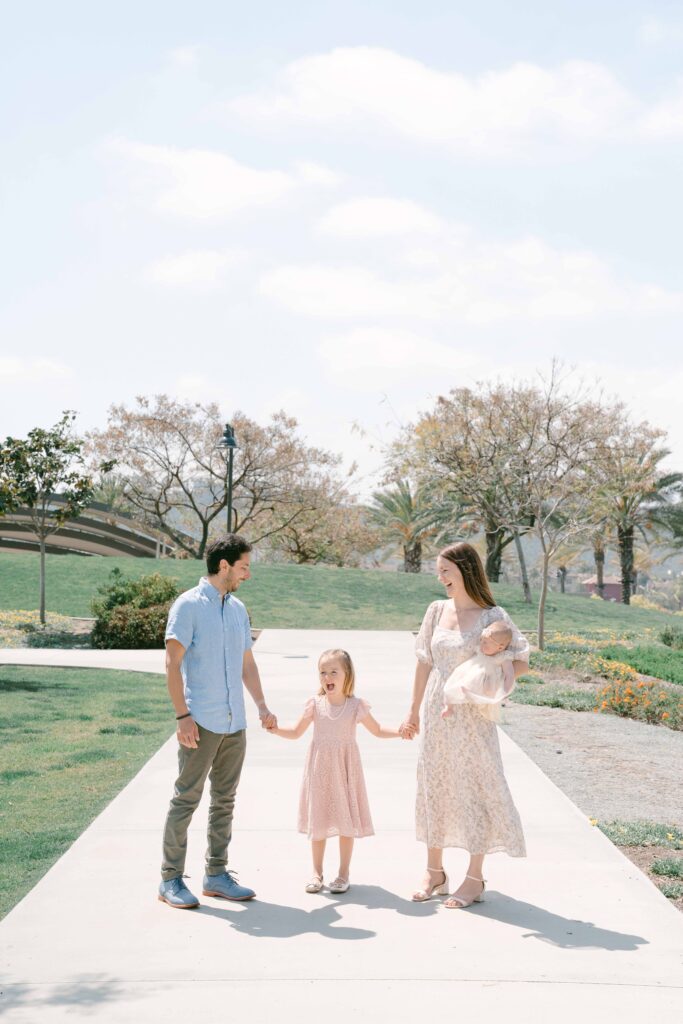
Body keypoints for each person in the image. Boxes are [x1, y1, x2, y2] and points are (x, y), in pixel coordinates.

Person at [400, 541, 529, 909]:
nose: (441, 578)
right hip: (436, 714)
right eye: (439, 571)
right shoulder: (436, 610)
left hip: (473, 719)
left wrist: (487, 681)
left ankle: (474, 878)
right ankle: (434, 871)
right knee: (435, 785)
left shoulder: (493, 615)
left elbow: (521, 660)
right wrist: (411, 712)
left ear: (466, 571)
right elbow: (424, 662)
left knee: (476, 788)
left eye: (446, 571)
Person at [158, 534, 277, 910]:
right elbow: (172, 665)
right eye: (244, 567)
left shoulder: (238, 609)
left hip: (234, 723)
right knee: (186, 800)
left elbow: (247, 664)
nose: (248, 575)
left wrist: (260, 706)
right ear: (223, 565)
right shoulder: (188, 606)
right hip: (201, 721)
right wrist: (183, 716)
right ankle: (170, 879)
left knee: (224, 801)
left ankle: (216, 874)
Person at [268, 648, 400, 894]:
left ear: (346, 674)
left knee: (344, 820)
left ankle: (343, 874)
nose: (327, 677)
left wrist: (400, 732)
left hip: (345, 771)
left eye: (333, 672)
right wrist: (276, 729)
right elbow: (296, 732)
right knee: (318, 820)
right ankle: (316, 873)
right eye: (322, 672)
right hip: (319, 771)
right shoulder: (315, 705)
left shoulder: (356, 706)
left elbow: (378, 730)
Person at [441, 619, 515, 722]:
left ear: (500, 647)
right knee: (454, 681)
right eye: (481, 640)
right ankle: (448, 707)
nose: (481, 644)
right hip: (472, 671)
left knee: (486, 685)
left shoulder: (503, 657)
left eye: (486, 643)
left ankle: (472, 694)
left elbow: (509, 674)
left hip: (488, 679)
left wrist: (504, 691)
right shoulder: (481, 651)